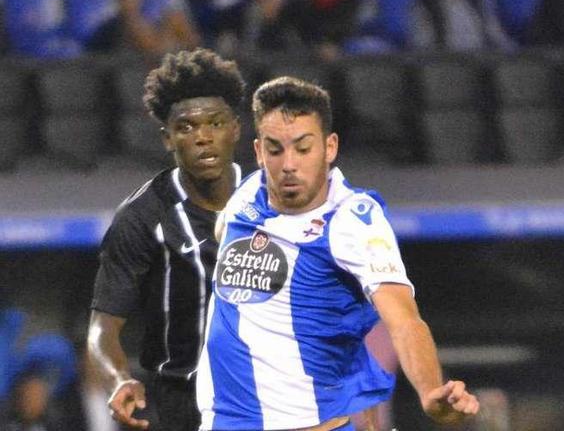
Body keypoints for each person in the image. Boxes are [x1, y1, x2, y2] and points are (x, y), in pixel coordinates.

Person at [196, 76, 480, 430]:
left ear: (329, 147)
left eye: (303, 148)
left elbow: (404, 319)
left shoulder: (351, 219)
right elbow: (222, 233)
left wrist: (429, 391)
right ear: (258, 152)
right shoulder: (245, 196)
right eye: (275, 149)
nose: (288, 164)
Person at [87, 48, 244, 431]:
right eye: (187, 127)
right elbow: (102, 328)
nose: (203, 138)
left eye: (215, 123)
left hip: (269, 394)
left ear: (236, 128)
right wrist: (119, 377)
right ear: (167, 138)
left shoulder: (270, 199)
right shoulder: (142, 218)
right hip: (181, 403)